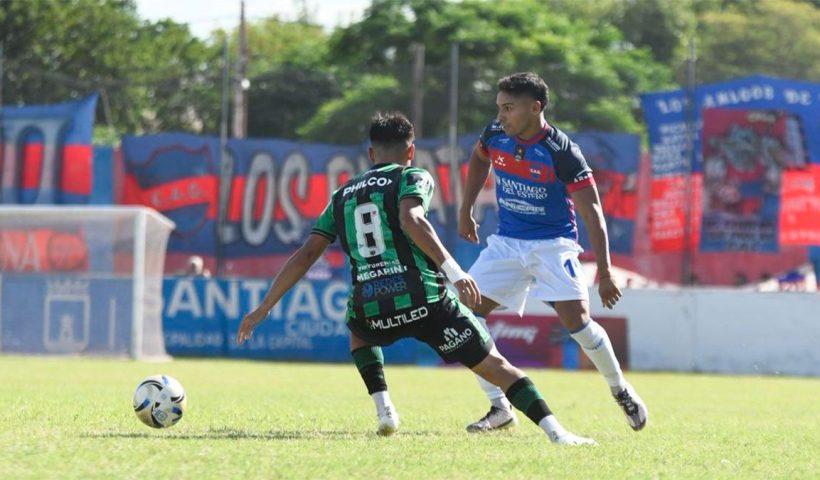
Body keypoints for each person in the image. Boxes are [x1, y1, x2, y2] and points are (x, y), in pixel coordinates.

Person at [237, 112, 594, 445]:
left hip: (371, 304)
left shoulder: (342, 195)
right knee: (496, 367)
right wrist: (454, 272)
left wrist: (264, 307)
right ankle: (558, 434)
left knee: (359, 334)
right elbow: (411, 219)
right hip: (426, 300)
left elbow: (306, 254)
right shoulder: (412, 177)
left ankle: (385, 410)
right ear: (411, 151)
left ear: (371, 153)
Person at [458, 72, 648, 432]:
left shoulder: (562, 152)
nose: (500, 116)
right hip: (507, 242)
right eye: (499, 107)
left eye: (509, 108)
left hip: (552, 245)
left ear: (535, 108)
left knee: (577, 323)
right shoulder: (495, 134)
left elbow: (593, 212)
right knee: (465, 314)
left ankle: (620, 389)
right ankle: (499, 407)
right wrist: (466, 208)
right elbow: (479, 157)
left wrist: (605, 272)